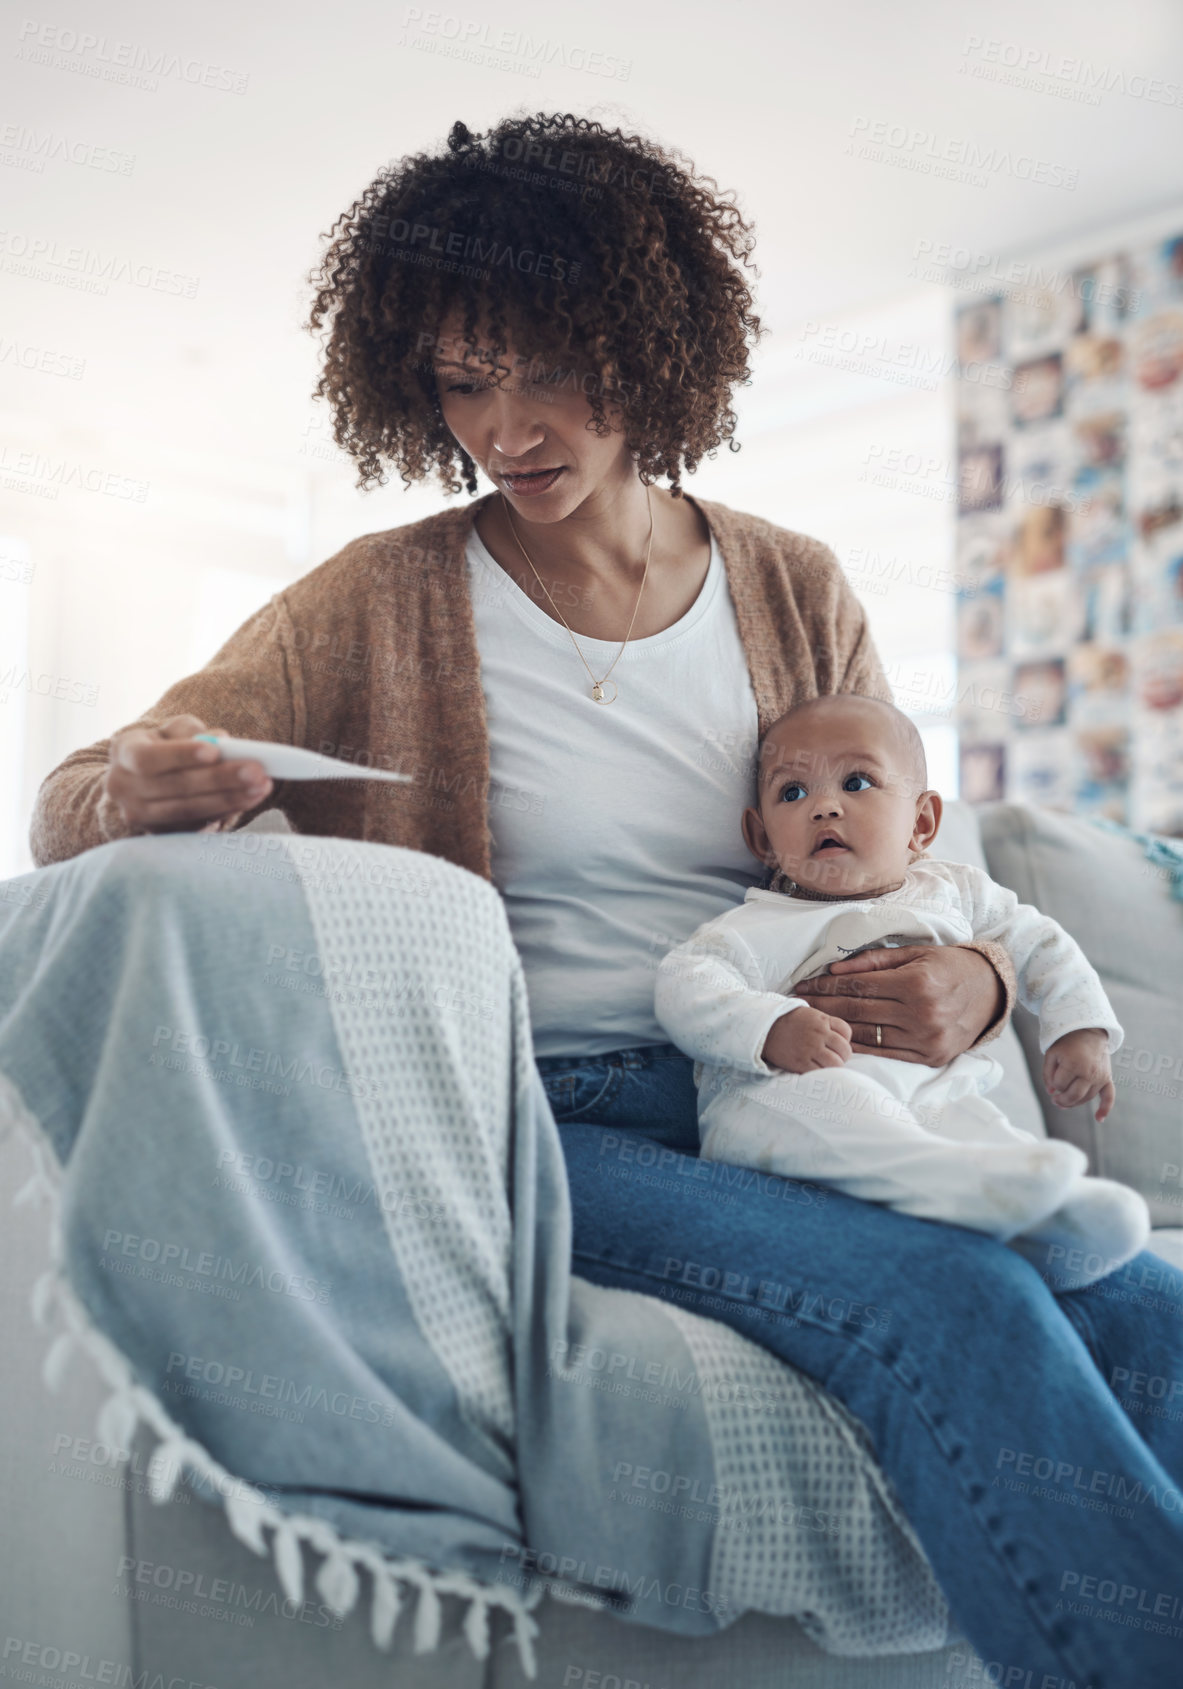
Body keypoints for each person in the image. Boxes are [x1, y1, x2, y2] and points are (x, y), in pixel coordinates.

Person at [27, 112, 1183, 1686]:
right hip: (556, 1120)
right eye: (457, 380)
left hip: (781, 1096)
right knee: (955, 1300)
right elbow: (80, 791)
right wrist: (127, 792)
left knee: (1140, 1296)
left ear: (645, 343)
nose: (501, 425)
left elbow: (919, 851)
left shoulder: (793, 583)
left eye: (540, 363)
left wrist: (980, 980)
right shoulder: (378, 596)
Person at [653, 692, 1151, 1290]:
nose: (824, 808)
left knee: (978, 1127)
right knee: (846, 1109)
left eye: (857, 782)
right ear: (762, 841)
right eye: (793, 792)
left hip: (929, 1100)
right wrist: (768, 1027)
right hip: (778, 1105)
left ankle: (1055, 1230)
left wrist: (1080, 1027)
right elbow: (686, 984)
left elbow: (1040, 944)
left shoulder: (954, 892)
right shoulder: (756, 924)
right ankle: (989, 1191)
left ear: (921, 824)